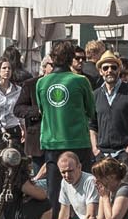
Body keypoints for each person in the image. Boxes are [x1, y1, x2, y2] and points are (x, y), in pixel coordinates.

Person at [33, 40, 98, 181]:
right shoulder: (81, 81)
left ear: (52, 58)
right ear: (71, 58)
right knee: (81, 190)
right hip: (78, 142)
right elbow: (91, 111)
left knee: (55, 190)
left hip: (52, 141)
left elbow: (42, 110)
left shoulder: (41, 83)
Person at [26, 148, 97, 219]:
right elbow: (64, 213)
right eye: (63, 172)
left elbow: (91, 216)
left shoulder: (89, 181)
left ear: (79, 167)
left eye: (70, 171)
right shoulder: (64, 183)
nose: (67, 175)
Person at [92, 50, 128, 183]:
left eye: (114, 67)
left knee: (126, 196)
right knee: (103, 196)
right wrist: (95, 150)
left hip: (125, 154)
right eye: (105, 68)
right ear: (100, 71)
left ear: (119, 70)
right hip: (103, 156)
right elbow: (92, 125)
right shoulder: (95, 95)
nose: (109, 70)